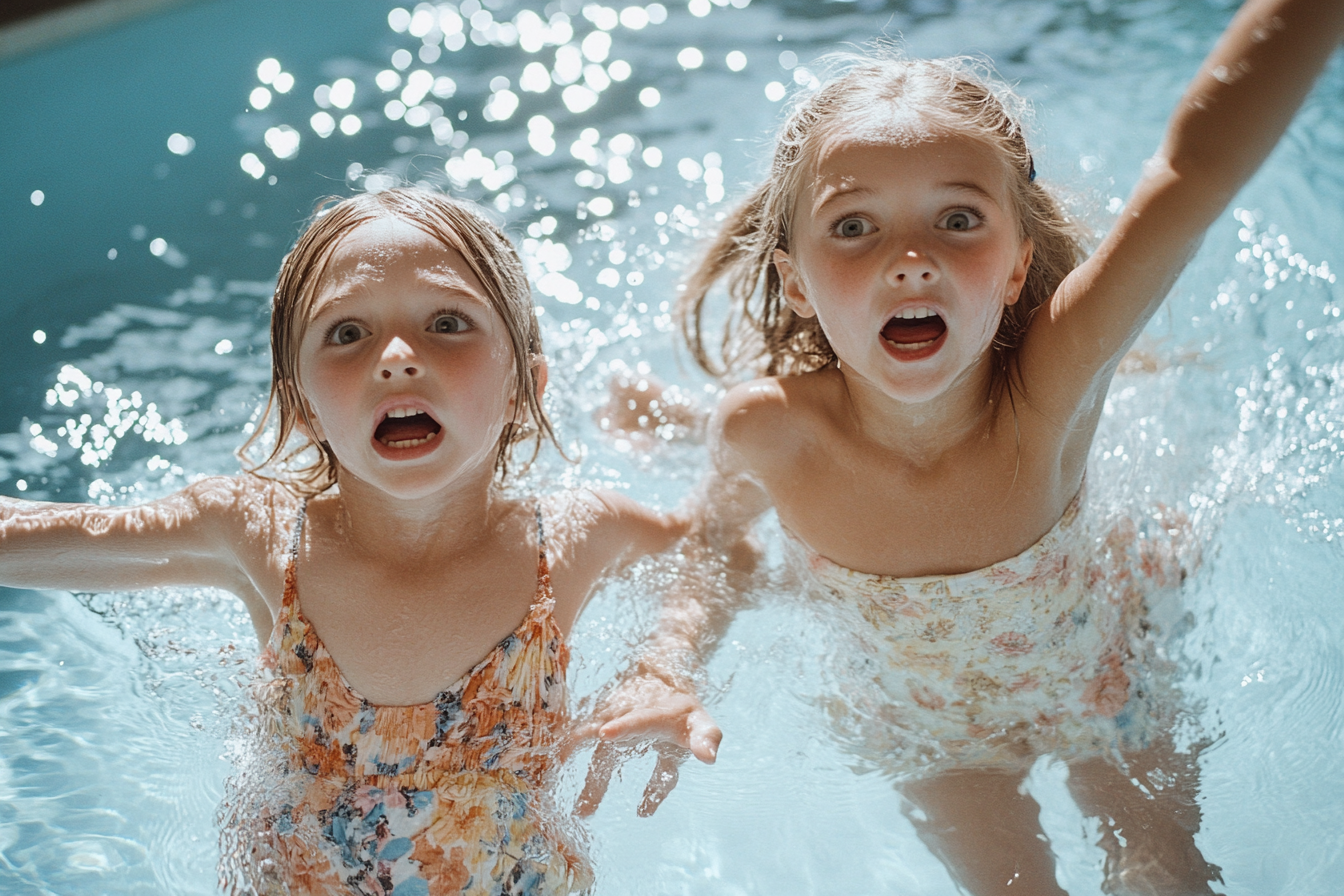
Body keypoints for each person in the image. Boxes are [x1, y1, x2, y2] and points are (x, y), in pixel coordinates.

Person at [582, 1, 1344, 892]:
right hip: (927, 734)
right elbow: (715, 549)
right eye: (855, 226)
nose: (911, 258)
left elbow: (1192, 173)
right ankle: (674, 418)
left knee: (1169, 874)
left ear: (1019, 264)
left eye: (958, 219)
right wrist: (661, 667)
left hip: (1098, 687)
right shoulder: (768, 432)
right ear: (795, 281)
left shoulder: (1047, 395)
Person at [0, 188, 692, 896]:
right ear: (301, 408)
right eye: (346, 334)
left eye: (447, 322)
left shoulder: (573, 540)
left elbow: (718, 550)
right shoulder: (261, 535)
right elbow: (43, 537)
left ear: (525, 387)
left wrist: (662, 669)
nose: (395, 357)